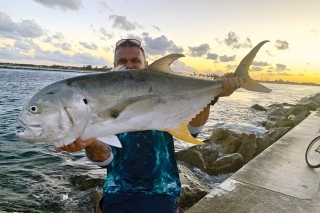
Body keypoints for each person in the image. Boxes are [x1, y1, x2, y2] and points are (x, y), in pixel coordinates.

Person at [55, 39, 241, 213]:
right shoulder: (100, 101)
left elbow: (193, 129)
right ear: (113, 67)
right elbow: (107, 159)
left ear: (145, 64)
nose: (128, 65)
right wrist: (91, 143)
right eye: (122, 61)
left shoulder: (165, 92)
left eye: (135, 60)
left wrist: (212, 93)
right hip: (118, 194)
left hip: (162, 193)